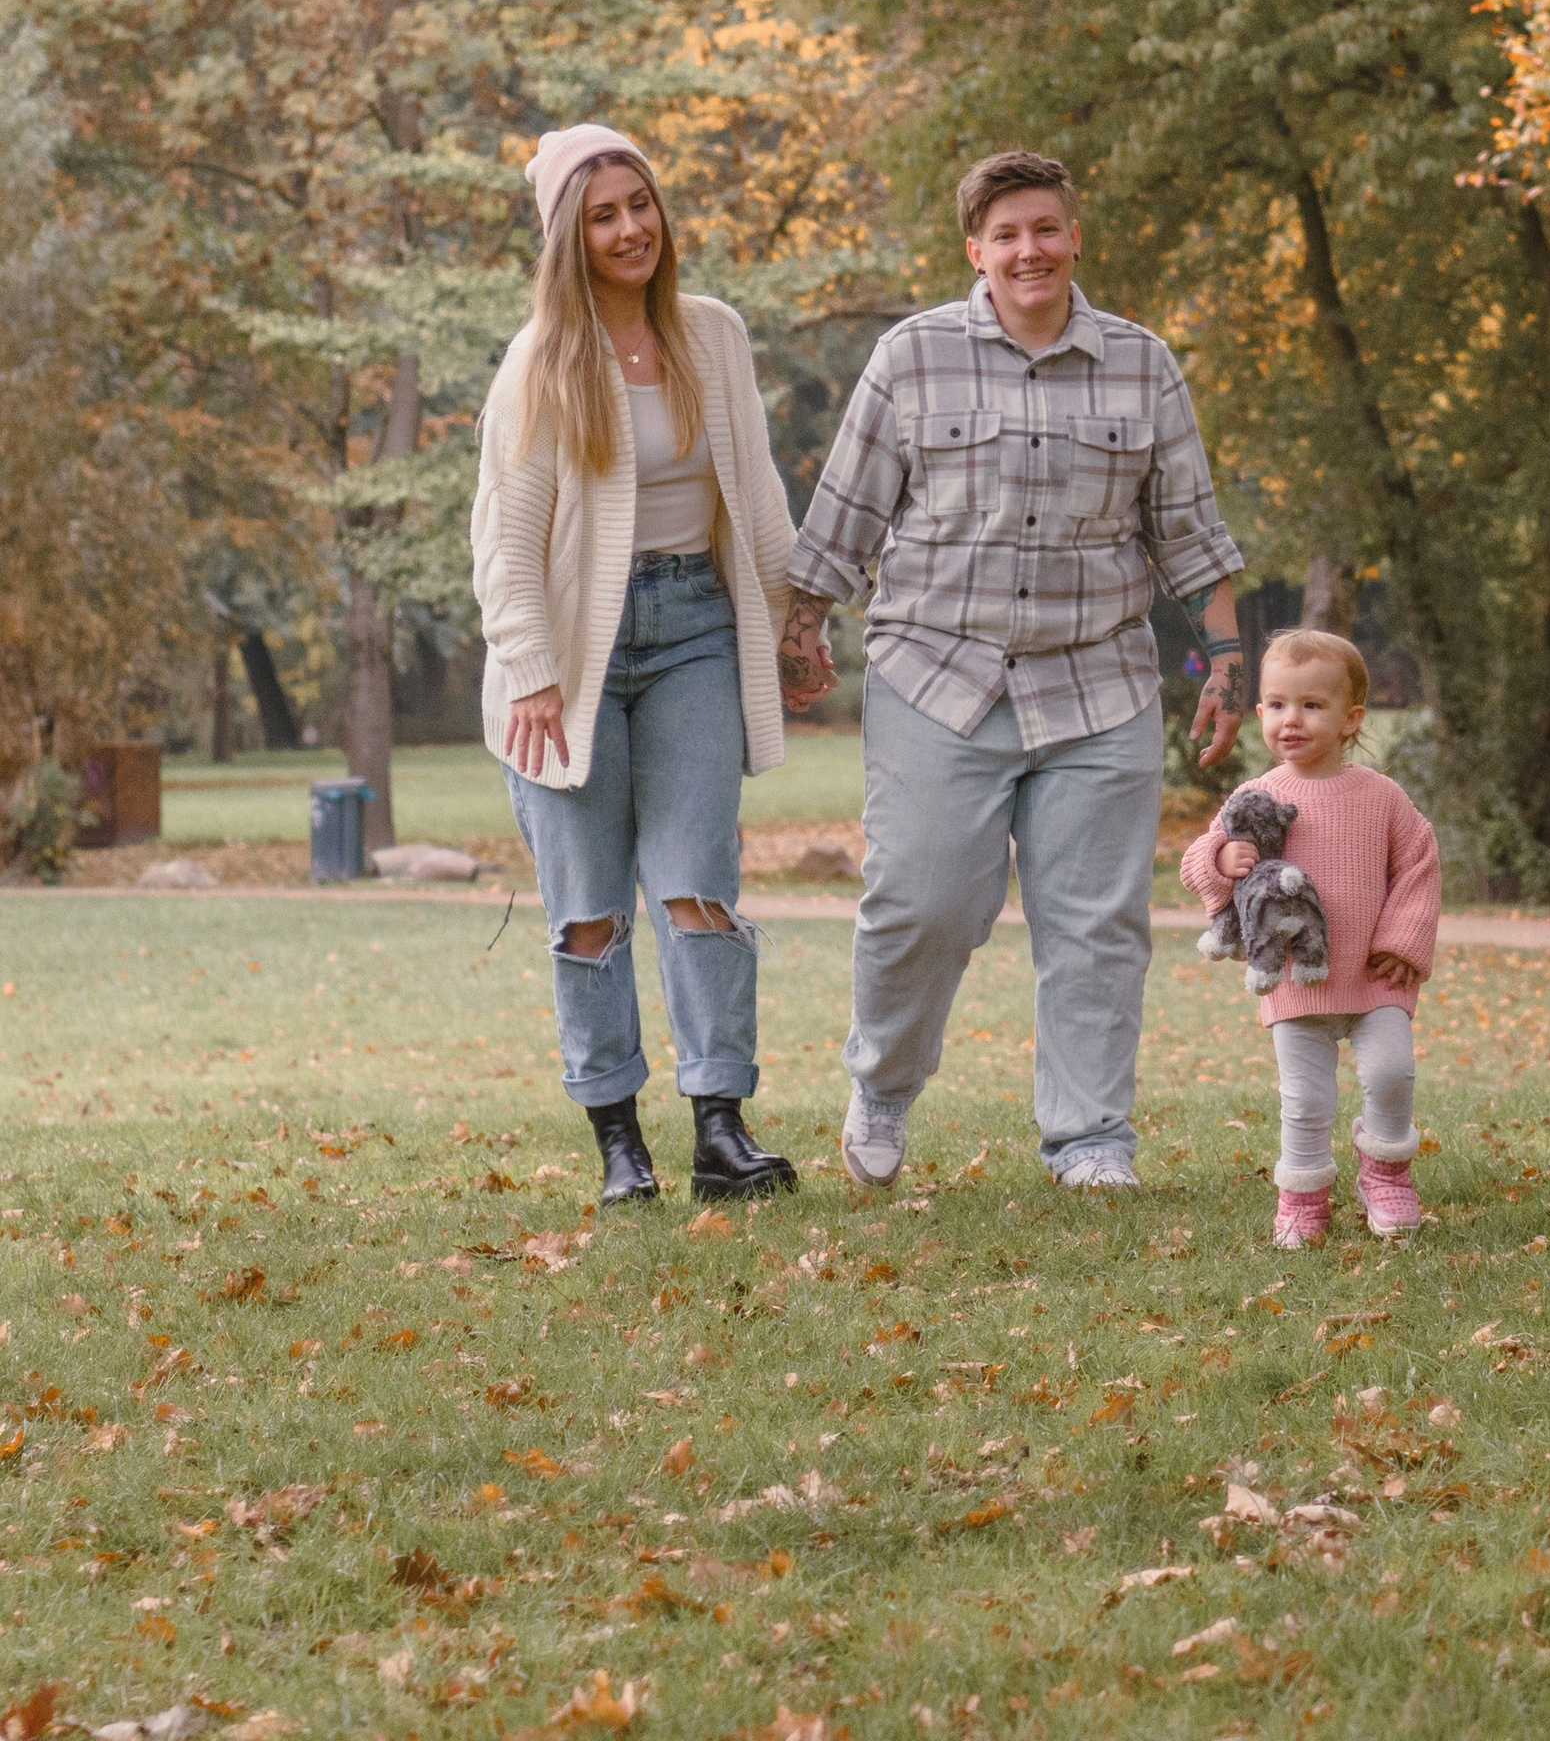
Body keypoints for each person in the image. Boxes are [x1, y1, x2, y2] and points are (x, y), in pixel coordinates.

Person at [775, 148, 1247, 1192]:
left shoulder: (1141, 363)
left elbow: (1191, 535)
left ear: (1074, 237)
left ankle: (1089, 1136)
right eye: (1005, 235)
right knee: (924, 903)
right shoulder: (912, 357)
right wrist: (799, 630)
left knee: (1096, 923)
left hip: (1098, 685)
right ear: (975, 253)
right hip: (936, 674)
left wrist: (1225, 662)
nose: (1027, 249)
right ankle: (883, 1089)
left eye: (1045, 228)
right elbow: (842, 518)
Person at [472, 122, 801, 1207]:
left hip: (695, 628)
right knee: (588, 908)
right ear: (569, 233)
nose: (628, 229)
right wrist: (527, 666)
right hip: (568, 655)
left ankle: (720, 1124)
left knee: (698, 885)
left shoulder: (713, 335)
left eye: (640, 205)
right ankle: (618, 1139)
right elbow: (506, 541)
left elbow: (755, 497)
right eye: (602, 213)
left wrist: (796, 626)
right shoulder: (541, 362)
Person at [1180, 630, 1440, 1247]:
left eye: (1311, 706)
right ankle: (1302, 1199)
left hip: (1375, 972)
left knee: (1392, 1073)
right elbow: (1196, 860)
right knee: (1304, 1098)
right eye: (1275, 705)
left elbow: (1420, 862)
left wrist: (1404, 940)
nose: (1289, 720)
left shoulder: (1381, 797)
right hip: (1296, 973)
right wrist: (1223, 858)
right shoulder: (1255, 798)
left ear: (1351, 718)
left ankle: (1385, 1174)